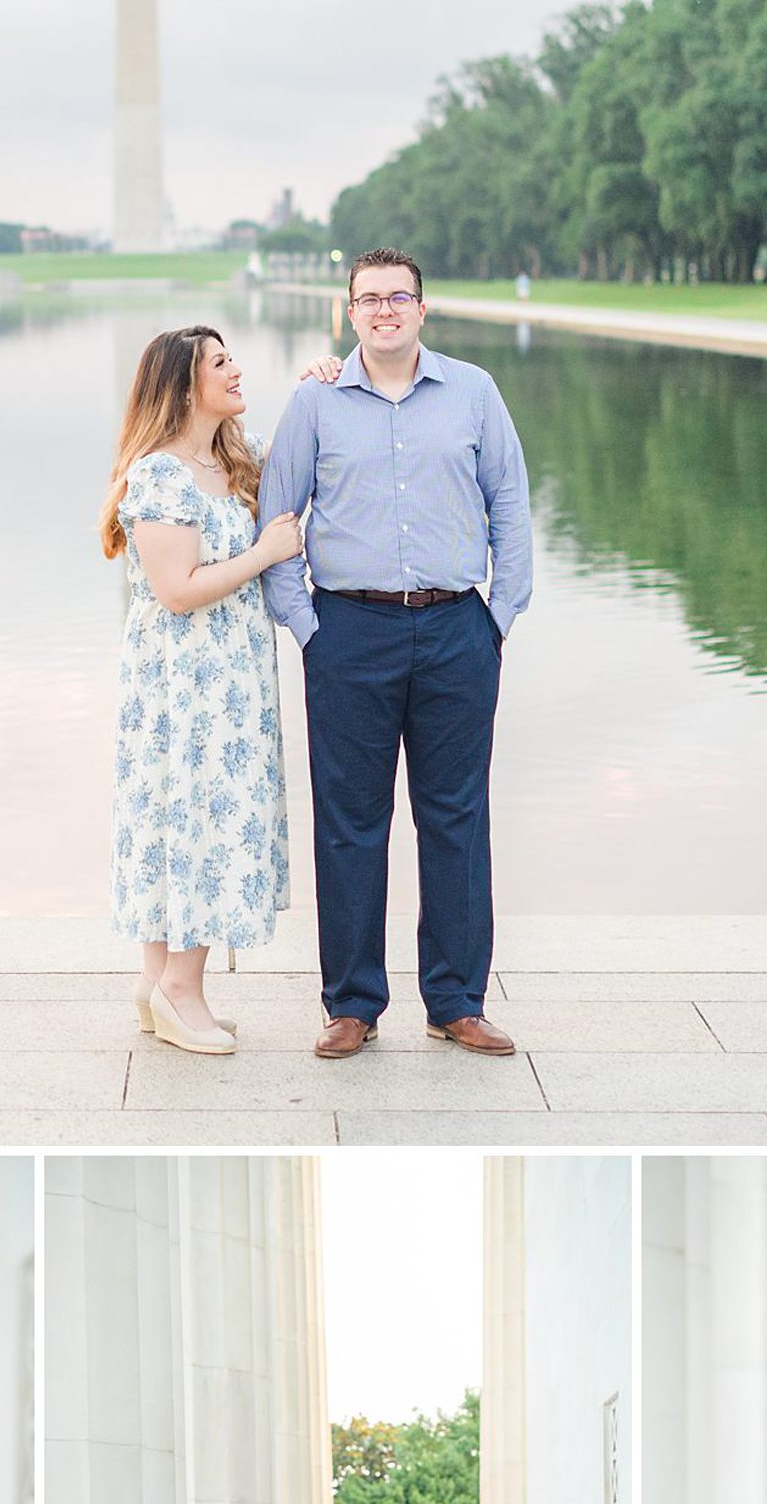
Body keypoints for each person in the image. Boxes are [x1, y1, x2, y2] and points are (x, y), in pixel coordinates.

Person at [268, 251, 531, 1062]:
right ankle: (352, 1003)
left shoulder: (475, 392)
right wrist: (307, 628)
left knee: (455, 818)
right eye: (369, 298)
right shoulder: (315, 400)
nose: (385, 310)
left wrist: (498, 621)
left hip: (457, 631)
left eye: (399, 297)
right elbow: (279, 517)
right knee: (350, 824)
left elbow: (511, 506)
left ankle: (456, 1001)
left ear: (423, 309)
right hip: (349, 633)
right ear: (349, 313)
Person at [102, 323, 299, 1054]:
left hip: (229, 681)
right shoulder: (160, 474)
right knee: (195, 819)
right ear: (186, 387)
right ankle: (183, 989)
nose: (237, 370)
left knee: (188, 817)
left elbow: (303, 450)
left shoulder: (230, 461)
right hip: (186, 691)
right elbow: (177, 590)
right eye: (221, 364)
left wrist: (320, 382)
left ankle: (158, 986)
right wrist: (267, 552)